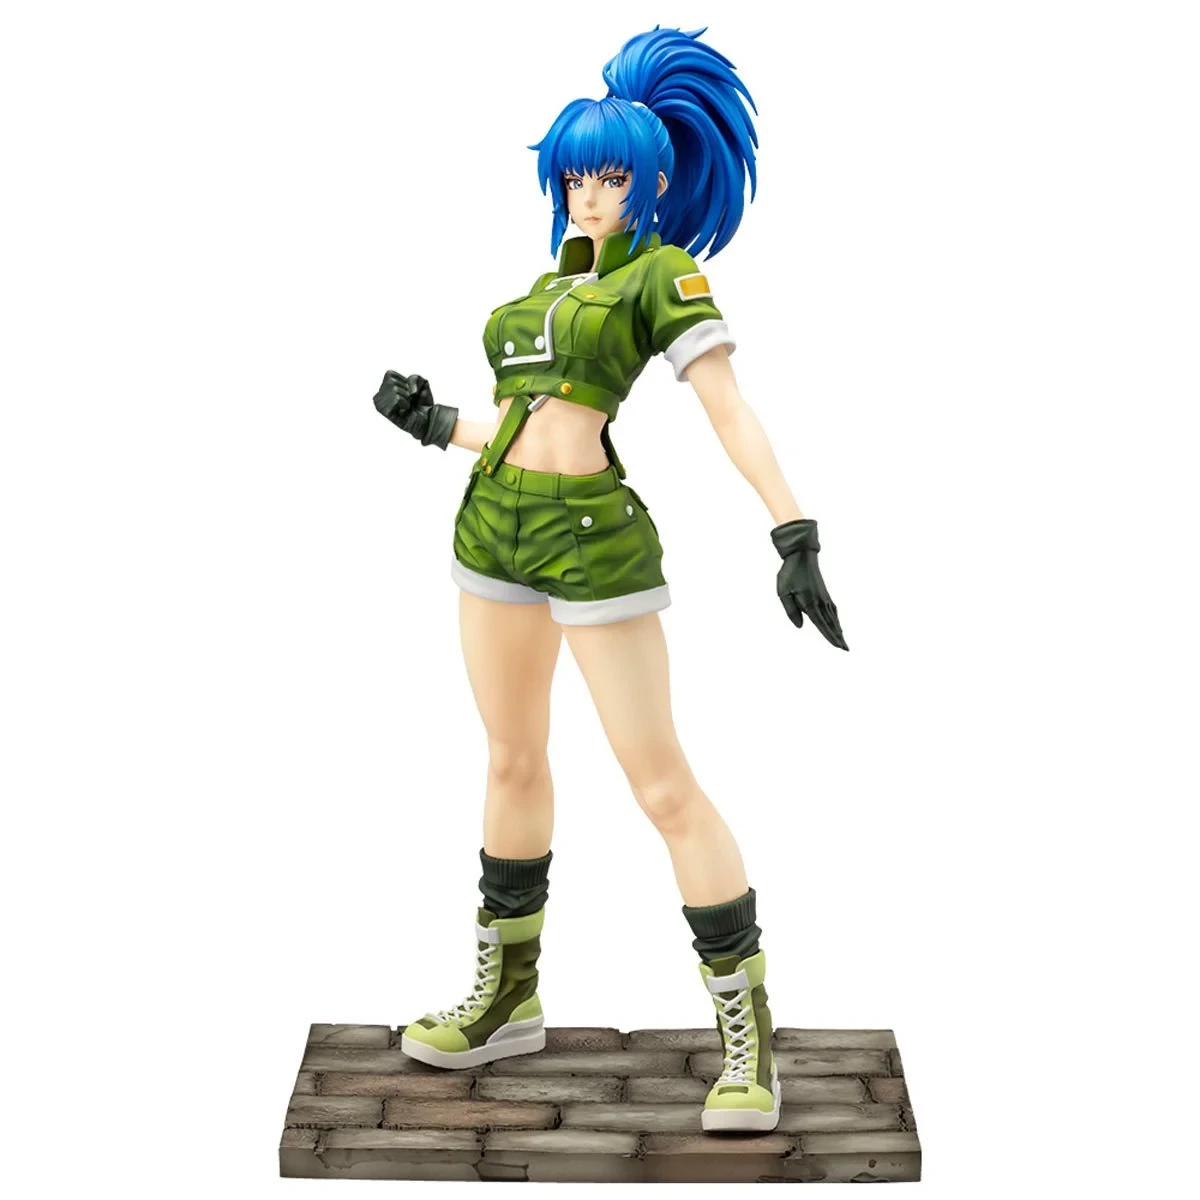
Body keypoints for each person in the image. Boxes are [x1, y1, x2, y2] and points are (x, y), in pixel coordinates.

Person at [373, 25, 846, 1134]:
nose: (588, 192)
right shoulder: (546, 286)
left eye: (610, 175)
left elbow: (726, 405)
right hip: (492, 524)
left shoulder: (660, 275)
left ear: (651, 181)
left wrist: (792, 528)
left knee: (661, 782)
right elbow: (520, 424)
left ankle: (748, 1037)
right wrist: (433, 422)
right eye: (576, 175)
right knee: (510, 758)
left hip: (592, 539)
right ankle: (508, 998)